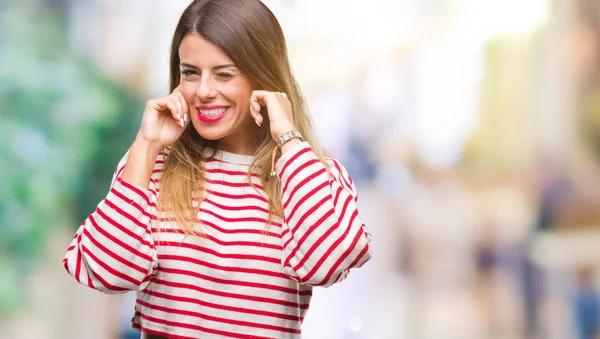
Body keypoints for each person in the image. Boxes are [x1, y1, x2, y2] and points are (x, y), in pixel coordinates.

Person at [62, 0, 373, 338]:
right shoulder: (151, 165)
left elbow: (324, 264)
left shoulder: (310, 174)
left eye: (225, 74)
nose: (204, 91)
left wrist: (288, 137)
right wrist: (147, 145)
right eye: (190, 73)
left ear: (263, 74)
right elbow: (107, 271)